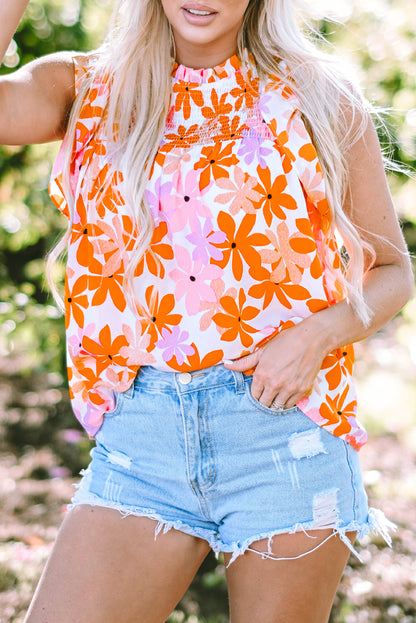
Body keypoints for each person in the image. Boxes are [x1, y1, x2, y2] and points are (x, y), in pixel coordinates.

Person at [1, 1, 413, 621]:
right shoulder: (86, 87)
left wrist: (316, 336)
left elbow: (392, 272)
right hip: (144, 439)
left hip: (282, 432)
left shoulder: (318, 97)